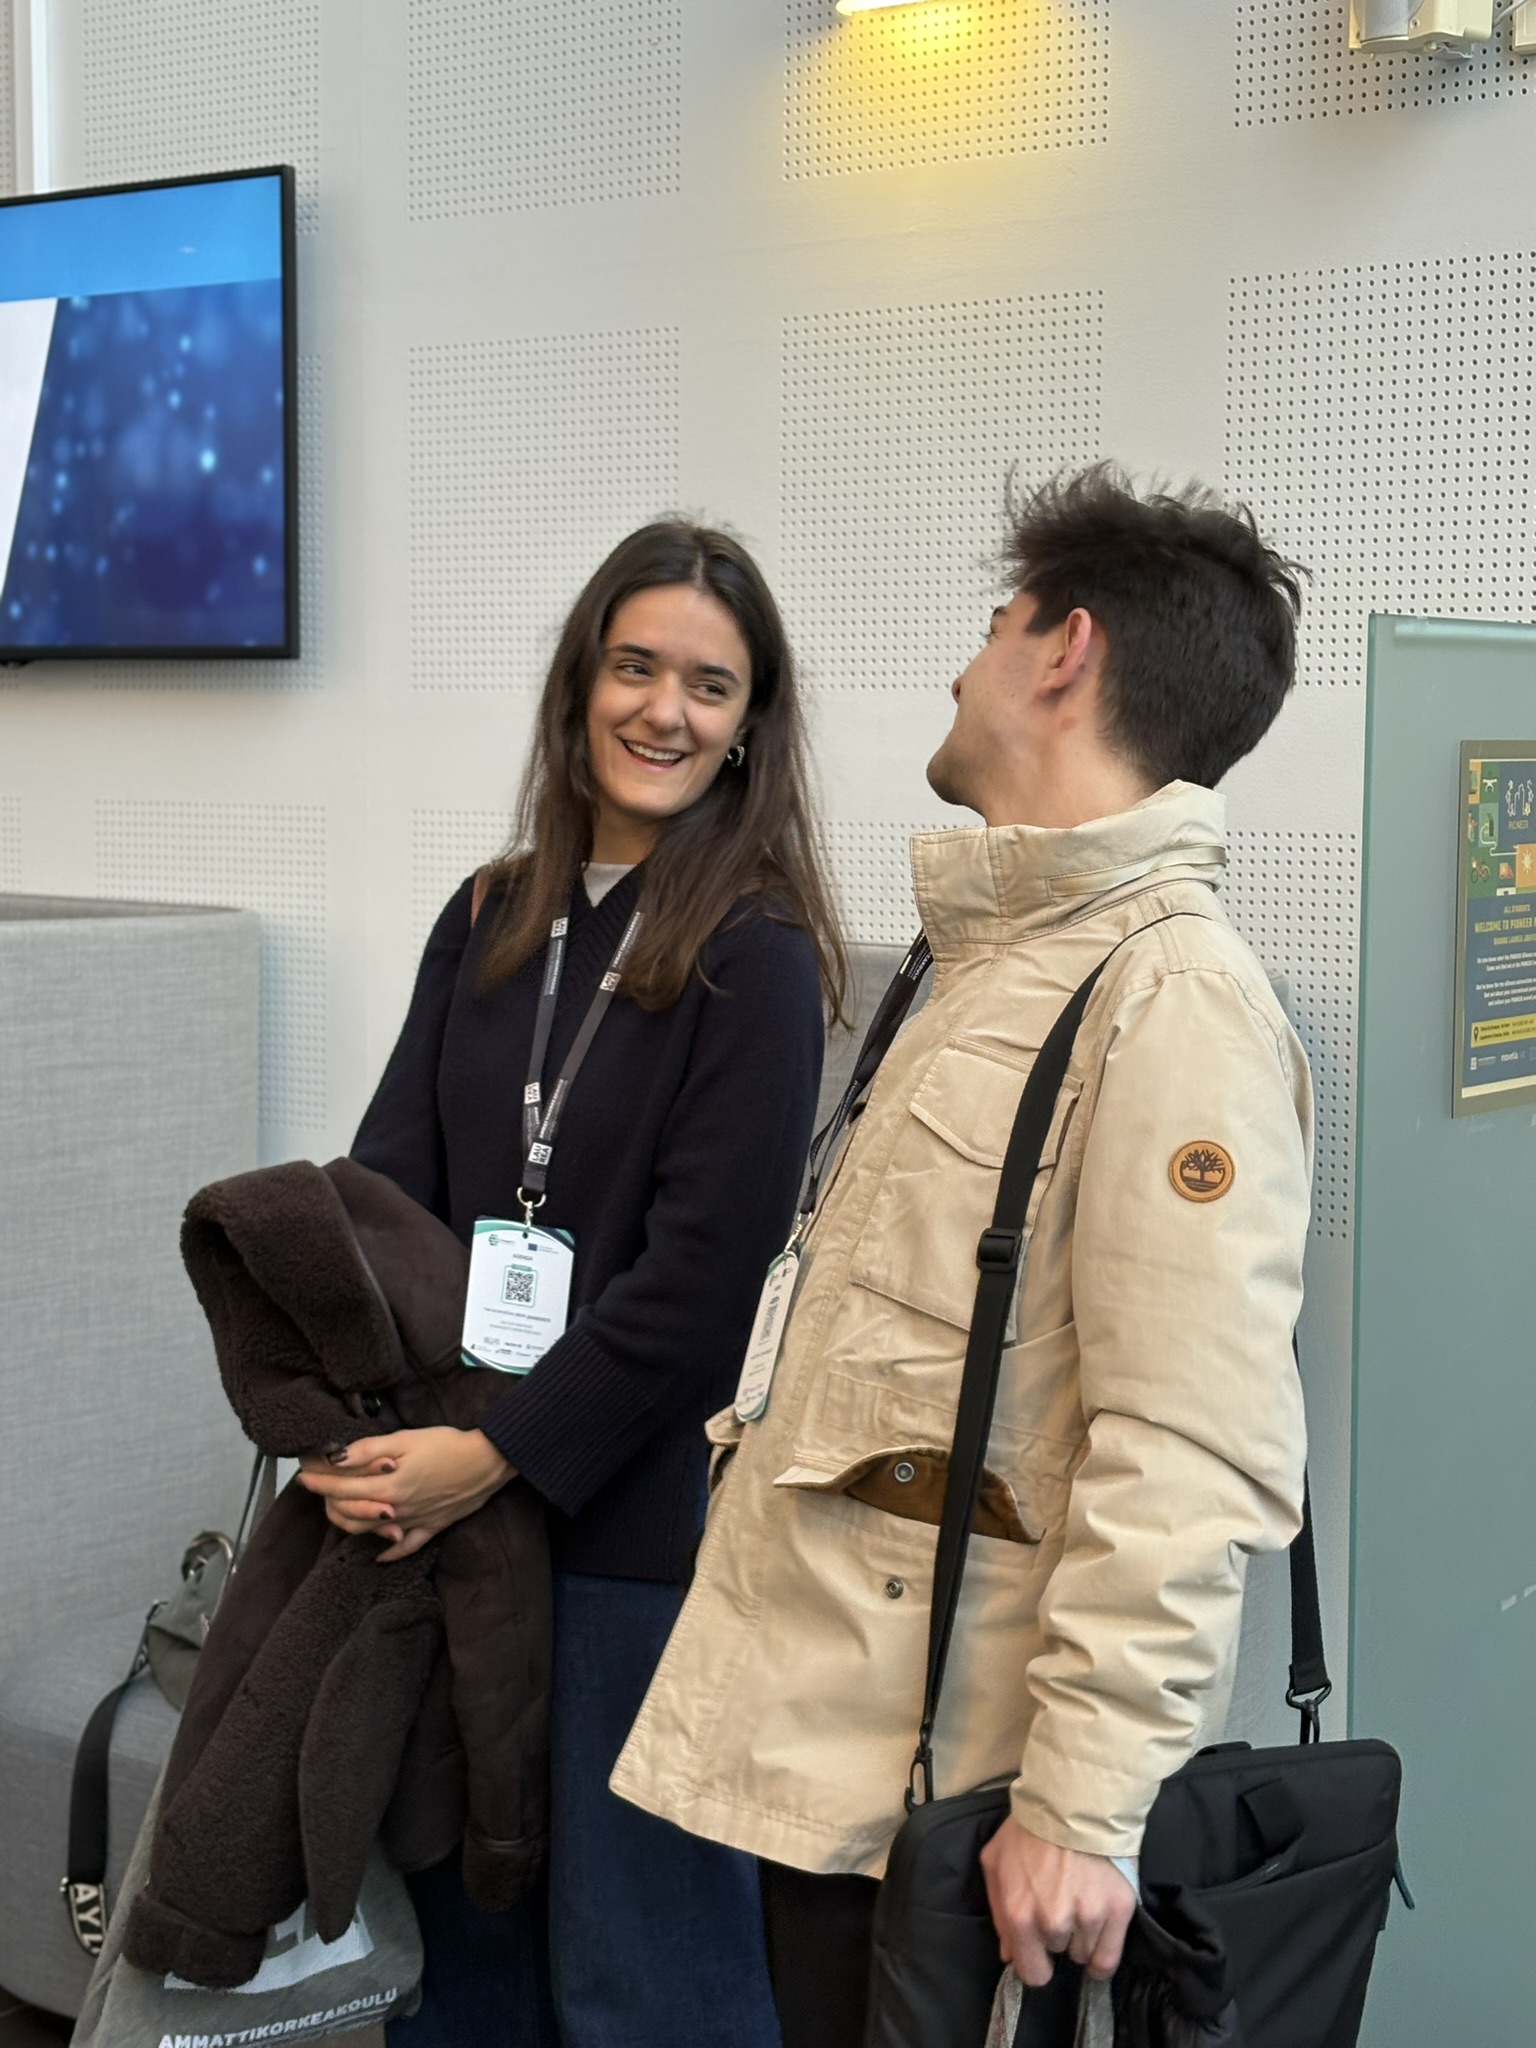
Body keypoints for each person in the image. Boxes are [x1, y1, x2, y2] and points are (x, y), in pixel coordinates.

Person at [611, 466, 1315, 2046]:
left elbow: (1187, 1451)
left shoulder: (1171, 999)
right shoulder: (996, 960)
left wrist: (1080, 1807)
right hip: (852, 1759)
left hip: (969, 1807)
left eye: (991, 626)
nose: (958, 669)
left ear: (1063, 652)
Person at [299, 521, 844, 2047]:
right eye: (635, 667)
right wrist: (366, 1439)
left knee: (642, 1978)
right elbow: (385, 1194)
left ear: (750, 724)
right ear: (579, 686)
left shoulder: (758, 953)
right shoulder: (488, 914)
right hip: (453, 1523)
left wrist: (491, 1458)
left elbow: (701, 1292)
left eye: (709, 685)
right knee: (465, 1961)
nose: (665, 710)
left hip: (628, 1542)